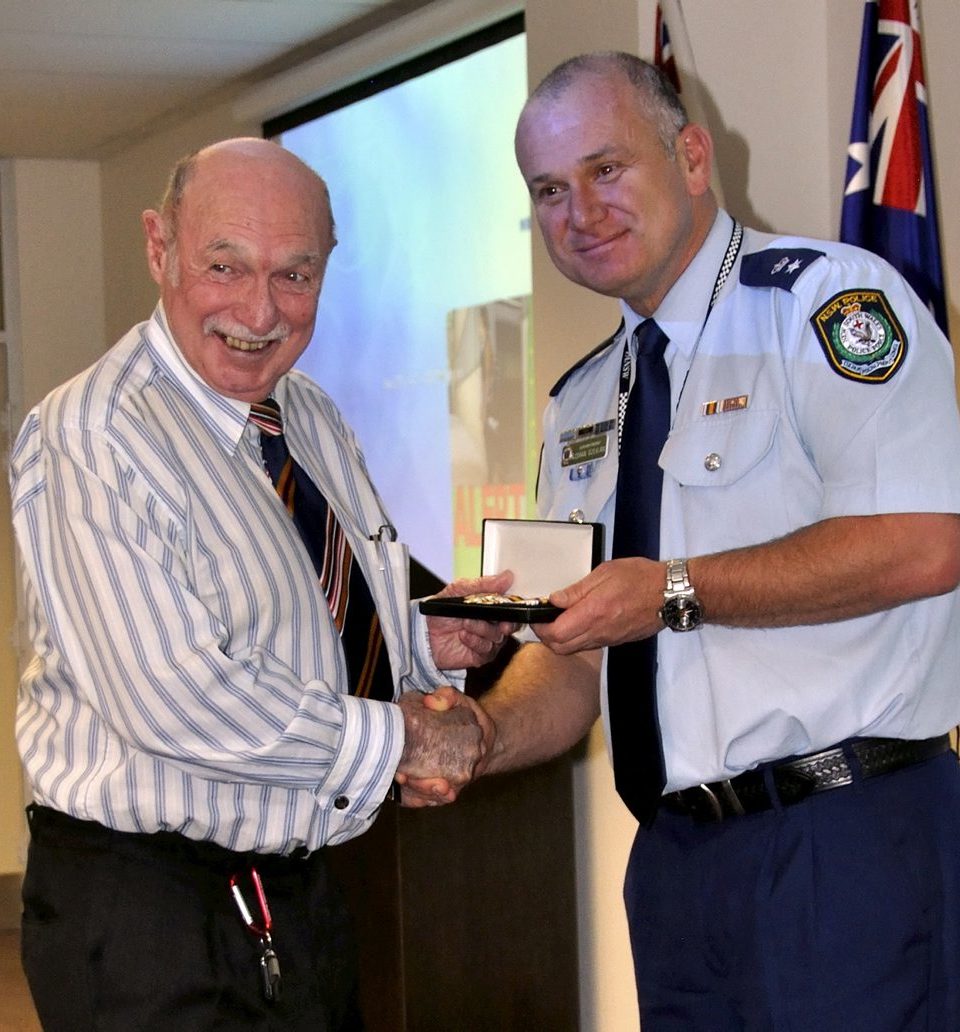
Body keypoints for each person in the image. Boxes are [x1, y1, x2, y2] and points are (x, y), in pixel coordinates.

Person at [412, 51, 960, 1030]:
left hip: (846, 840)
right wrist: (479, 733)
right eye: (547, 190)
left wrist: (672, 589)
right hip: (674, 864)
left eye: (605, 169)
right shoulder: (579, 402)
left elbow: (921, 544)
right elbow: (571, 661)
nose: (578, 210)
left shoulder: (825, 307)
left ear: (694, 157)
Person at [8, 137, 514, 1031]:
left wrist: (418, 641)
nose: (260, 308)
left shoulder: (307, 414)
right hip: (149, 917)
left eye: (296, 274)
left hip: (296, 895)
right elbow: (173, 698)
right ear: (160, 249)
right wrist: (400, 743)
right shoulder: (92, 432)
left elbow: (304, 618)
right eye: (224, 264)